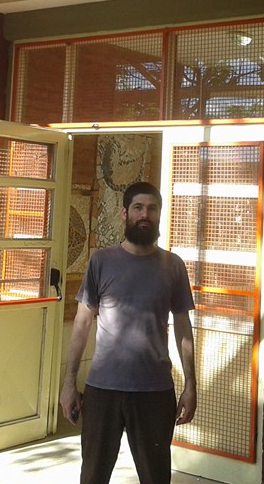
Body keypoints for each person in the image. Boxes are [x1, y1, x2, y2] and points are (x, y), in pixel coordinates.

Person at [60, 182, 197, 484]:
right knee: (93, 477)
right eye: (138, 208)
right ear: (125, 213)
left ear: (159, 214)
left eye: (152, 208)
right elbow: (82, 323)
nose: (144, 214)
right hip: (103, 391)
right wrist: (69, 383)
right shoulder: (101, 262)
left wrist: (190, 385)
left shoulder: (173, 266)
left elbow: (183, 327)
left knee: (156, 477)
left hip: (155, 392)